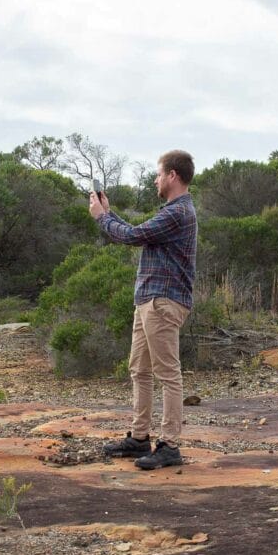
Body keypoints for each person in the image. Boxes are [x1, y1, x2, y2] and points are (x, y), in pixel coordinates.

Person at [88, 150, 197, 470]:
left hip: (162, 301)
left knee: (167, 373)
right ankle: (139, 438)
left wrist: (101, 218)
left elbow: (134, 236)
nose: (155, 179)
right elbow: (141, 233)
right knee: (140, 370)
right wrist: (109, 213)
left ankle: (170, 445)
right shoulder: (173, 212)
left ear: (173, 176)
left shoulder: (179, 212)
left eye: (159, 174)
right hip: (149, 300)